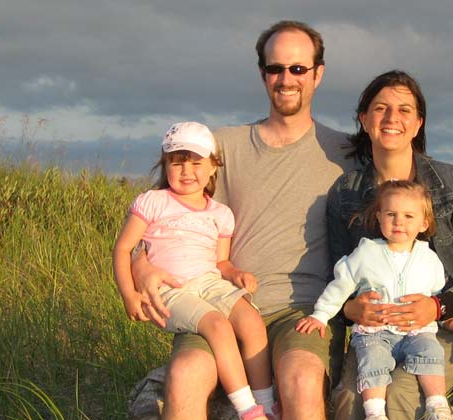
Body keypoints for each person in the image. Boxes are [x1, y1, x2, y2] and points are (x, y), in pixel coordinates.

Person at [131, 21, 354, 420]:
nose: (286, 79)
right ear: (262, 74)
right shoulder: (221, 146)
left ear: (318, 73)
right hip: (216, 302)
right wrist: (140, 266)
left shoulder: (345, 153)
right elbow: (157, 216)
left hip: (302, 312)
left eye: (298, 68)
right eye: (275, 68)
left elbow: (401, 205)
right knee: (184, 375)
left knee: (302, 380)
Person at [328, 70, 453, 420]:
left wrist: (438, 308)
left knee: (400, 395)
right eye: (380, 108)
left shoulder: (450, 182)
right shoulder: (345, 192)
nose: (392, 118)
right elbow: (337, 275)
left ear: (418, 123)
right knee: (349, 399)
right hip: (378, 331)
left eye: (404, 110)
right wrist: (351, 310)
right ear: (364, 119)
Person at [113, 122, 272, 420]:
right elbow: (123, 249)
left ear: (213, 166)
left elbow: (221, 262)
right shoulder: (153, 201)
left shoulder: (220, 214)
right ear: (165, 165)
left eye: (196, 163)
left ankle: (268, 403)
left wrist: (235, 274)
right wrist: (129, 295)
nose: (187, 171)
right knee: (218, 325)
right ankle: (248, 410)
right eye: (177, 163)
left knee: (251, 321)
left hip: (209, 283)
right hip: (170, 291)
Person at [296, 180, 453, 420]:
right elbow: (341, 284)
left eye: (409, 216)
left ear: (424, 223)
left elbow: (434, 296)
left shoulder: (429, 259)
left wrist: (447, 320)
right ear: (379, 217)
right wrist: (320, 314)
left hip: (416, 330)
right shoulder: (367, 253)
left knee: (430, 351)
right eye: (391, 214)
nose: (399, 222)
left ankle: (437, 406)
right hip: (375, 332)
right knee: (373, 360)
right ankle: (375, 412)